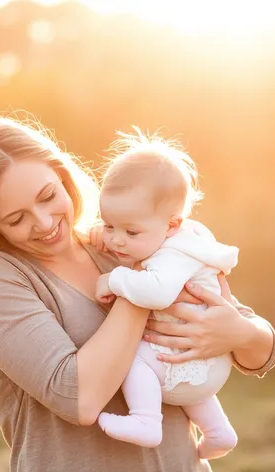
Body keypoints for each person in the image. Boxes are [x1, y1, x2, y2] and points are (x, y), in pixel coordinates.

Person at [0, 114, 275, 472]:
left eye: (48, 196)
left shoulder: (116, 242)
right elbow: (79, 398)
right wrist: (147, 279)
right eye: (16, 218)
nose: (44, 223)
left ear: (62, 176)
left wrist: (238, 332)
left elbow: (261, 352)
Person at [91, 129, 241, 459]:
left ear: (172, 225)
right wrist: (104, 233)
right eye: (108, 225)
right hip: (204, 364)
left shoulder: (174, 254)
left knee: (130, 357)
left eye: (130, 231)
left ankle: (145, 420)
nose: (116, 241)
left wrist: (114, 280)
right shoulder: (183, 235)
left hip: (192, 361)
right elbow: (126, 235)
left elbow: (157, 294)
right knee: (166, 356)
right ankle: (218, 431)